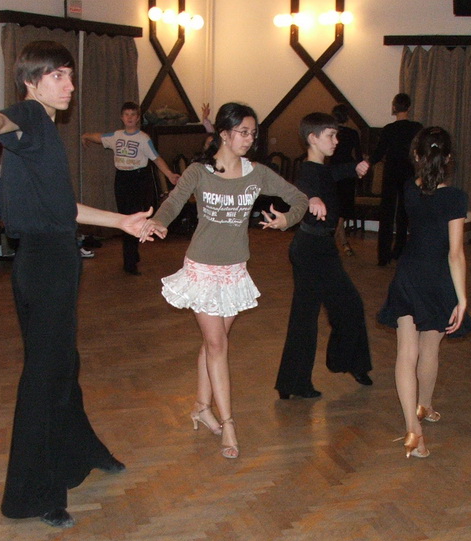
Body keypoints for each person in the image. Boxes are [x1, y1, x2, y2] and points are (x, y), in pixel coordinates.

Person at [0, 40, 163, 528]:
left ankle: (82, 449)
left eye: (70, 75)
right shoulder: (32, 117)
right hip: (45, 265)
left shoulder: (41, 137)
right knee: (44, 376)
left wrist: (121, 222)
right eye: (57, 75)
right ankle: (32, 494)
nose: (69, 85)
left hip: (51, 259)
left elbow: (63, 208)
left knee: (63, 364)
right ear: (30, 81)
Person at [139, 102, 312, 459]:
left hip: (235, 271)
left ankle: (201, 407)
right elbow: (173, 202)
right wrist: (158, 222)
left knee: (212, 343)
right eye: (243, 132)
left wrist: (287, 220)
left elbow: (299, 198)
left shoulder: (256, 174)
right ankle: (228, 422)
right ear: (223, 133)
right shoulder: (199, 172)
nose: (249, 139)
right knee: (217, 345)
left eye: (253, 133)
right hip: (202, 268)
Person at [377, 126, 471, 458]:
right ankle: (423, 408)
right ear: (449, 158)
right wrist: (463, 298)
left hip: (409, 274)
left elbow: (433, 220)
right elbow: (455, 252)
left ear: (416, 156)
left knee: (406, 353)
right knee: (429, 349)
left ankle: (415, 428)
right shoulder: (454, 196)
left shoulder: (409, 189)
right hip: (438, 278)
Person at [275, 112, 372, 400]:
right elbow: (304, 187)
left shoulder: (323, 169)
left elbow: (335, 173)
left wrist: (355, 167)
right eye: (330, 135)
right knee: (308, 315)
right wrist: (312, 199)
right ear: (313, 138)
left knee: (347, 306)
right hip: (310, 249)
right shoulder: (307, 171)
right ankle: (295, 383)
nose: (336, 140)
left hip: (320, 248)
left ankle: (343, 364)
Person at [81, 101, 179, 275]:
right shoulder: (117, 135)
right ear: (122, 117)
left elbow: (156, 158)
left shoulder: (143, 138)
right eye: (126, 114)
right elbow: (100, 137)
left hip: (138, 179)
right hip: (122, 179)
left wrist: (170, 174)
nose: (130, 118)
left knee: (134, 216)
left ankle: (130, 260)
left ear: (138, 118)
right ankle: (131, 257)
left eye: (133, 115)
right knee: (125, 216)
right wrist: (86, 136)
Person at [363, 93, 423, 266]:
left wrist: (367, 162)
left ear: (394, 107)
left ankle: (383, 256)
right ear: (409, 107)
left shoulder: (389, 129)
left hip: (391, 171)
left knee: (387, 213)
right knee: (404, 212)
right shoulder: (416, 128)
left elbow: (379, 152)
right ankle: (400, 251)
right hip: (408, 172)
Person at [329, 104, 362, 257]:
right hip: (348, 172)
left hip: (333, 172)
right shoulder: (353, 133)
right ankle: (340, 243)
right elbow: (359, 156)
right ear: (347, 118)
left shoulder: (330, 133)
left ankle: (340, 243)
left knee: (336, 209)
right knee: (342, 210)